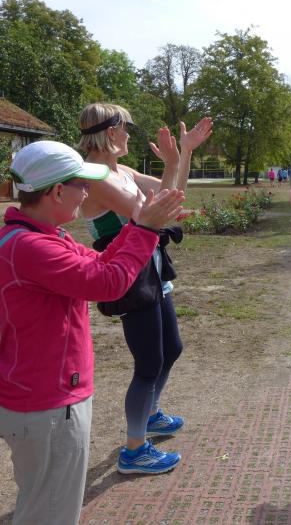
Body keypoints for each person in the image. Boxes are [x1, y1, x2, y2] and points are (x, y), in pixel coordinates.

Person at [0, 141, 184, 525]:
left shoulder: (38, 237)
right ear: (56, 191)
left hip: (44, 400)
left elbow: (101, 262)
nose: (87, 193)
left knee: (44, 505)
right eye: (81, 184)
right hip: (48, 405)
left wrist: (136, 225)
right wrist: (145, 229)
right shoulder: (32, 247)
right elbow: (108, 283)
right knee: (50, 514)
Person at [78, 103, 212, 474]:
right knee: (149, 362)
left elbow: (173, 196)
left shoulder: (121, 171)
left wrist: (183, 154)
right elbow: (152, 215)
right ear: (110, 131)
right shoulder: (95, 176)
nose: (129, 134)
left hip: (150, 268)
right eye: (126, 127)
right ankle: (134, 450)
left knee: (172, 349)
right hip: (127, 275)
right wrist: (172, 164)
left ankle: (150, 414)